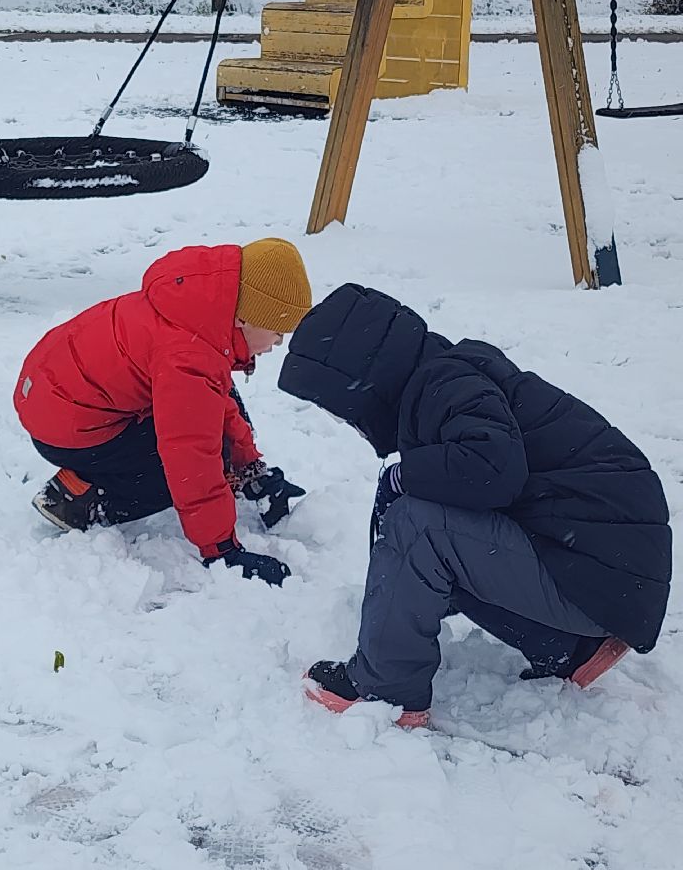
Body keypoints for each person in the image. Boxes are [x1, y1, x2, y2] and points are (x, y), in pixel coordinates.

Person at [279, 284, 671, 727]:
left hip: (599, 566)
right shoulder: (442, 381)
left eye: (338, 408)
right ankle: (567, 646)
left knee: (417, 523)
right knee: (434, 519)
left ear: (363, 382)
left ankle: (384, 691)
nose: (344, 421)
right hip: (605, 572)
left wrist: (406, 476)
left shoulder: (445, 385)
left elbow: (494, 470)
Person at [14, 240, 312, 586]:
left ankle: (235, 474)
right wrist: (222, 550)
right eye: (278, 331)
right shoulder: (187, 354)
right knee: (184, 468)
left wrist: (250, 470)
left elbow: (216, 402)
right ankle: (81, 497)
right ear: (244, 317)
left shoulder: (195, 310)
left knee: (216, 414)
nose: (279, 343)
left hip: (53, 393)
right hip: (67, 426)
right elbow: (191, 457)